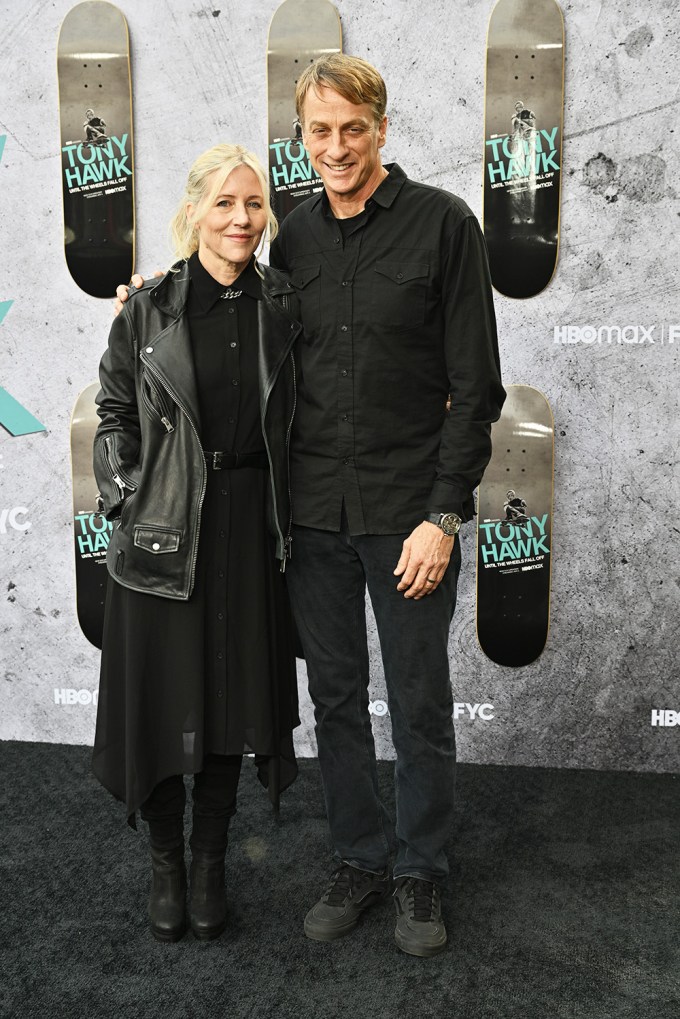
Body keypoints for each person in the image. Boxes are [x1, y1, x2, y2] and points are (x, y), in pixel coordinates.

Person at [118, 54, 505, 959]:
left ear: (381, 127)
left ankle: (420, 873)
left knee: (418, 704)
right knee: (333, 699)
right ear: (303, 137)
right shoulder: (289, 236)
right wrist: (148, 302)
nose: (335, 147)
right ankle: (359, 858)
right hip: (310, 522)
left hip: (410, 517)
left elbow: (476, 386)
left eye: (352, 129)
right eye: (318, 132)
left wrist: (443, 516)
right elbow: (216, 302)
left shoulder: (445, 226)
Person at [93, 143, 301, 945]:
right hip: (164, 530)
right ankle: (166, 864)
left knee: (229, 701)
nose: (242, 219)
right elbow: (112, 413)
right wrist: (130, 500)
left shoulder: (282, 300)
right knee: (159, 702)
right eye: (225, 203)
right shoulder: (147, 308)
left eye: (253, 204)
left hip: (250, 528)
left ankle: (210, 860)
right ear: (193, 212)